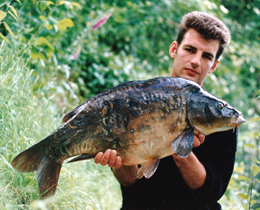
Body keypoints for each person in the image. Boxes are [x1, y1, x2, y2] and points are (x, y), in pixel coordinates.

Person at [94, 11, 237, 210]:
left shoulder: (219, 118)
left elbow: (212, 191)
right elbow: (129, 182)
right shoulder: (135, 98)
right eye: (190, 49)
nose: (196, 61)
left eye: (206, 56)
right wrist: (119, 159)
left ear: (214, 65)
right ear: (174, 49)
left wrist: (182, 150)